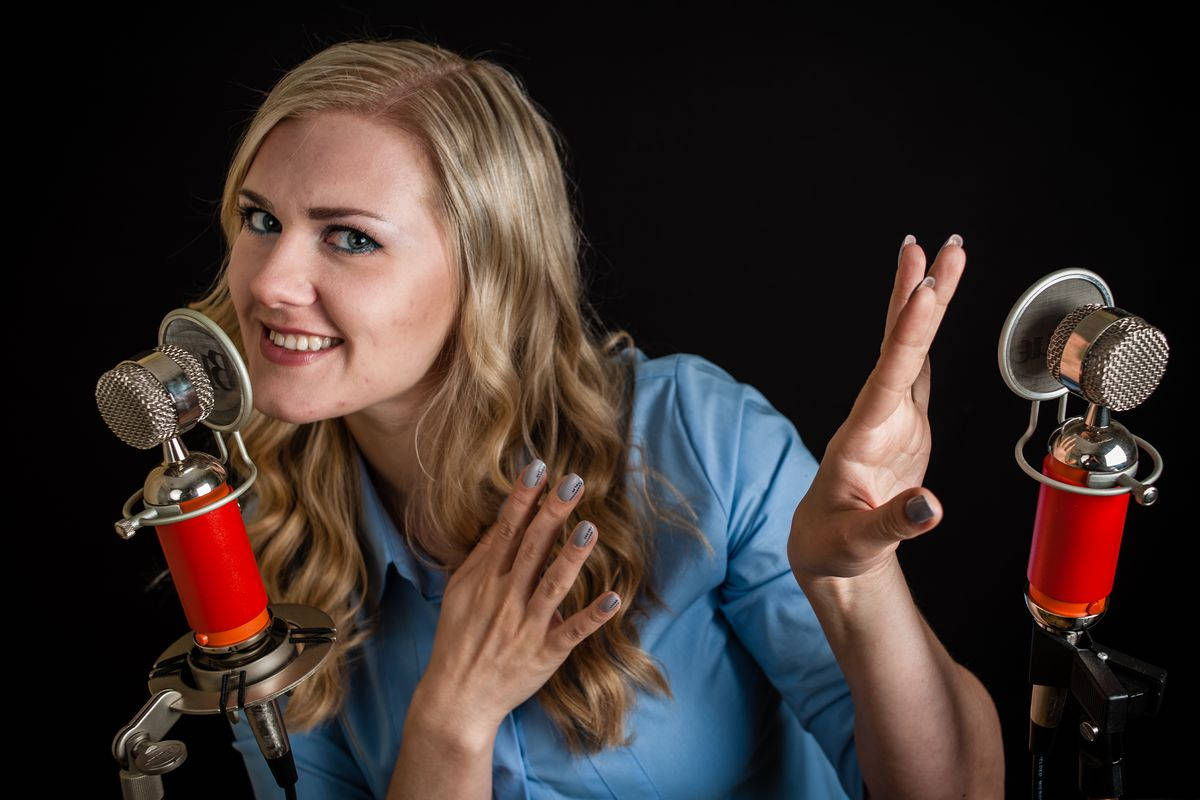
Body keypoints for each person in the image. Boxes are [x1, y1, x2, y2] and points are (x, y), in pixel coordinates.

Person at [185, 38, 1004, 799]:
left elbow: (956, 791)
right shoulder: (257, 543)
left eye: (350, 239)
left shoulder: (694, 439)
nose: (269, 282)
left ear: (489, 269)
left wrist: (856, 585)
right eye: (261, 221)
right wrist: (450, 722)